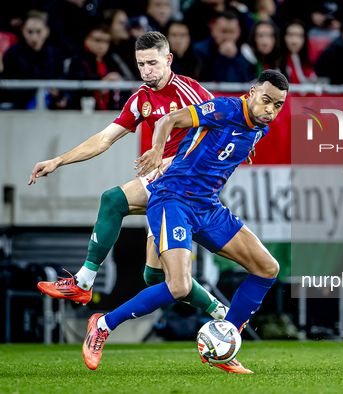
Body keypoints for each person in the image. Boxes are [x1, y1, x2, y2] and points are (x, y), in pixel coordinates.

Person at [31, 32, 251, 373]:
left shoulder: (191, 92)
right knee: (154, 276)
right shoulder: (140, 99)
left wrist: (179, 155)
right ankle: (219, 313)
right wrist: (58, 161)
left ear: (168, 60)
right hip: (164, 186)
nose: (146, 71)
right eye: (141, 64)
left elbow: (222, 123)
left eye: (152, 63)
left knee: (114, 202)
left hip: (185, 185)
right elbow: (104, 138)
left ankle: (86, 285)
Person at [82, 70, 288, 371]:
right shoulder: (225, 108)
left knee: (268, 268)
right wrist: (156, 150)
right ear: (252, 92)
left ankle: (224, 342)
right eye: (266, 100)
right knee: (176, 285)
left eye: (278, 105)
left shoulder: (259, 128)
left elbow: (227, 147)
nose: (270, 110)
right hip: (173, 200)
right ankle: (103, 324)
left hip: (207, 207)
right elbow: (169, 120)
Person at [0, 10, 65, 110]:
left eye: (38, 32)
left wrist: (60, 95)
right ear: (22, 31)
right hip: (20, 110)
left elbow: (62, 80)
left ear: (46, 31)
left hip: (50, 110)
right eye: (30, 32)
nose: (34, 37)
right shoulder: (13, 53)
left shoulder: (55, 54)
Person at [66, 23, 128, 110]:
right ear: (87, 40)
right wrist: (102, 80)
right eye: (98, 40)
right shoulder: (78, 61)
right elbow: (79, 83)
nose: (102, 46)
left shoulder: (111, 61)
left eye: (106, 41)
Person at [193, 11, 256, 82]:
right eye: (224, 31)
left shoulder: (245, 52)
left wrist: (233, 58)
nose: (227, 37)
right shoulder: (199, 51)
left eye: (232, 32)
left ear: (239, 32)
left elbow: (245, 81)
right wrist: (224, 58)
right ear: (213, 30)